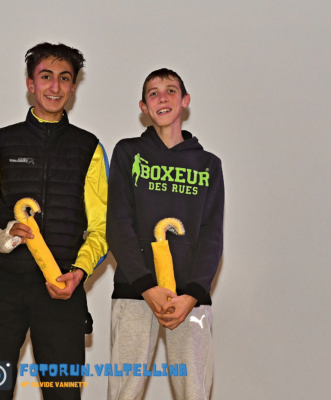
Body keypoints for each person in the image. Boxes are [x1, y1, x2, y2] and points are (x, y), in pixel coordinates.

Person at [0, 42, 108, 399]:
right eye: (46, 76)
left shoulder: (90, 148)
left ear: (73, 86)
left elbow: (102, 229)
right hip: (0, 290)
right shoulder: (1, 142)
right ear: (30, 83)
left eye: (64, 78)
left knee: (63, 395)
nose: (55, 86)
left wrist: (78, 274)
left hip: (62, 291)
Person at [106, 68, 224, 400]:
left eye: (171, 90)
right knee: (124, 392)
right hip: (136, 291)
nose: (162, 98)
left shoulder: (209, 164)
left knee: (194, 392)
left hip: (190, 300)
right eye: (153, 93)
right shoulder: (128, 153)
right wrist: (146, 286)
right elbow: (118, 225)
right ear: (144, 106)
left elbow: (212, 234)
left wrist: (193, 294)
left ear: (185, 101)